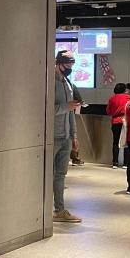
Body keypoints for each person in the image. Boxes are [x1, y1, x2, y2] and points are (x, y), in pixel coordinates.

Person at [53, 50, 82, 223]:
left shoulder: (67, 83)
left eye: (72, 64)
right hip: (52, 136)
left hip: (64, 137)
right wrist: (66, 106)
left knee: (61, 174)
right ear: (58, 63)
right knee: (48, 174)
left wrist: (74, 136)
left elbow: (71, 112)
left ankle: (60, 210)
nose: (70, 68)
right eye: (67, 64)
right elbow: (43, 109)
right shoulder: (50, 82)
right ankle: (40, 211)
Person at [106, 83, 130, 168]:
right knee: (126, 142)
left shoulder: (112, 98)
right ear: (124, 90)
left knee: (115, 142)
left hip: (115, 122)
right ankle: (126, 164)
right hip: (125, 121)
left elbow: (108, 111)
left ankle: (115, 163)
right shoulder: (128, 97)